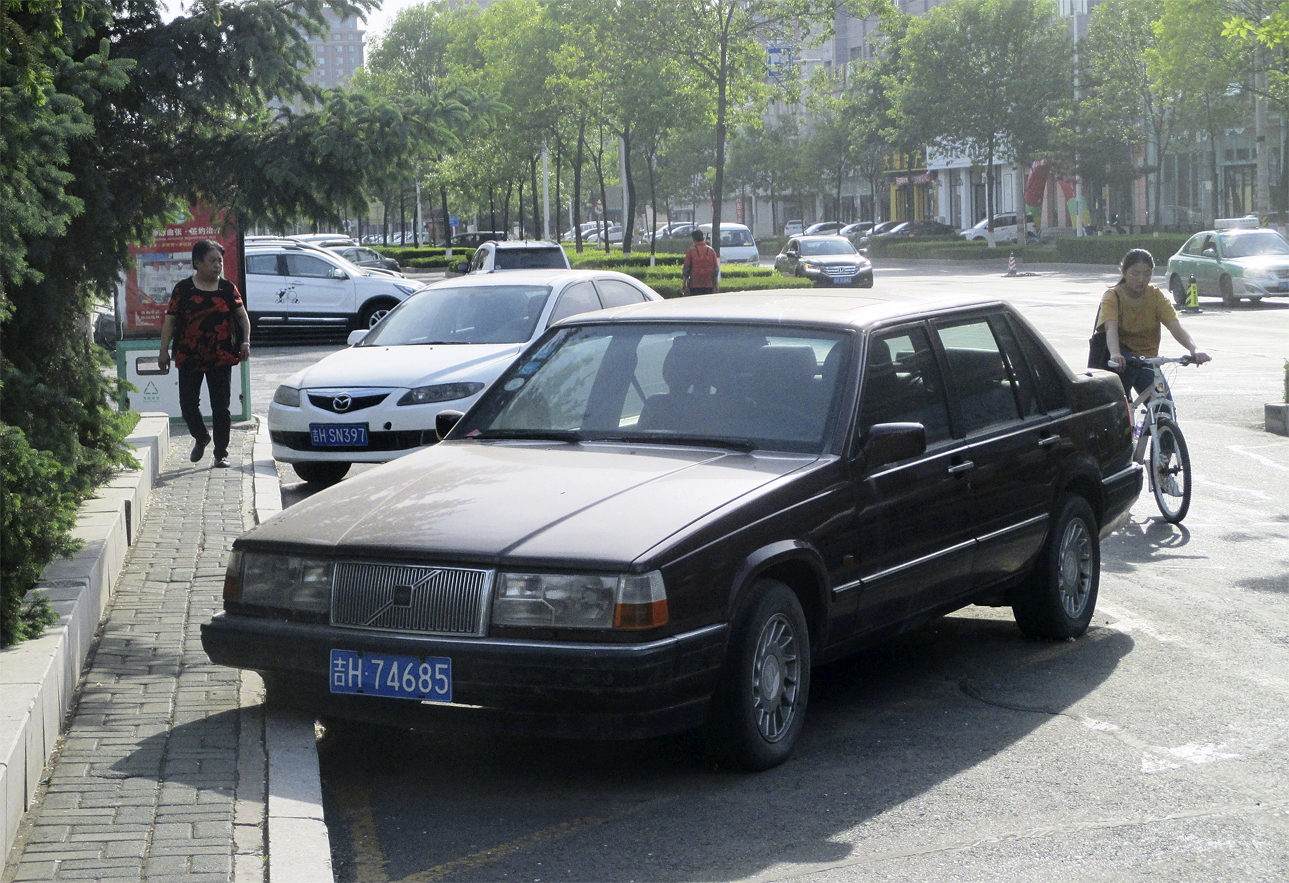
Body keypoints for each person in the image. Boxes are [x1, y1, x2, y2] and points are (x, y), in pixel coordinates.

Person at [158, 240, 252, 468]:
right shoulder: (183, 289)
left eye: (220, 261)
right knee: (188, 404)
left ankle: (221, 453)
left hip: (220, 356)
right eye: (212, 261)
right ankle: (201, 436)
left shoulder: (227, 289)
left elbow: (242, 317)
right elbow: (170, 322)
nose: (217, 265)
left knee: (221, 407)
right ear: (197, 263)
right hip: (189, 355)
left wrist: (246, 341)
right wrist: (163, 351)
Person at [1098, 248, 1210, 396]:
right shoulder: (1112, 296)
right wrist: (1115, 354)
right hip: (1121, 363)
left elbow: (1174, 326)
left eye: (1147, 273)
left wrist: (1194, 349)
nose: (1141, 279)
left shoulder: (1155, 296)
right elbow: (1110, 328)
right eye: (1135, 273)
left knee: (1164, 405)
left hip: (1148, 362)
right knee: (1119, 406)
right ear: (1124, 273)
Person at [682, 228, 720, 296]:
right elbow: (716, 269)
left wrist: (684, 283)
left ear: (693, 239)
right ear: (703, 237)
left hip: (694, 284)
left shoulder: (691, 251)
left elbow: (686, 269)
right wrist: (716, 285)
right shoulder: (711, 251)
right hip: (709, 283)